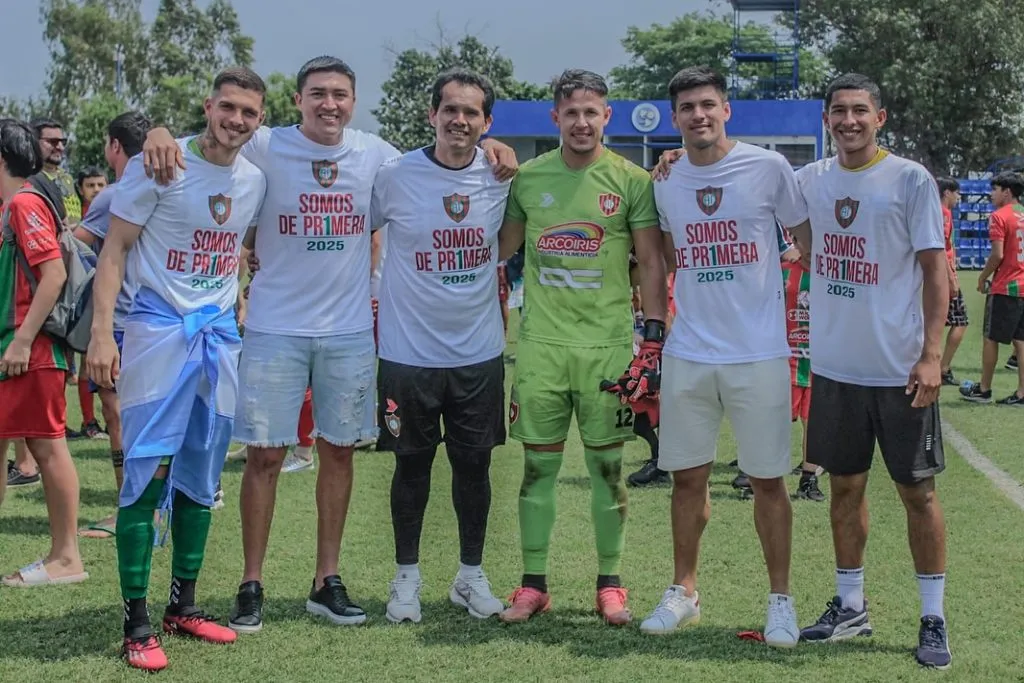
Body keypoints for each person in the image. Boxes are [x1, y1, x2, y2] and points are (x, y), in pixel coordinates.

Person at [143, 55, 518, 634]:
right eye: (318, 93)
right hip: (274, 327)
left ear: (353, 101)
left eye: (340, 94)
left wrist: (496, 148)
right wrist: (158, 131)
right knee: (265, 457)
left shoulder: (376, 156)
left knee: (338, 453)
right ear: (297, 101)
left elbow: (446, 161)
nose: (329, 104)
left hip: (348, 330)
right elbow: (215, 135)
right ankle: (251, 583)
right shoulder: (267, 143)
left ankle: (327, 581)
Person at [87, 67, 268, 672]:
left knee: (201, 475)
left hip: (218, 341)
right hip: (158, 336)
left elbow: (234, 248)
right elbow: (114, 250)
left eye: (248, 111)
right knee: (145, 474)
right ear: (208, 105)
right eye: (227, 107)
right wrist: (101, 335)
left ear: (260, 119)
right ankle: (135, 622)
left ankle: (182, 605)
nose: (236, 119)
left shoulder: (253, 178)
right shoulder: (158, 163)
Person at [635, 67, 806, 647]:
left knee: (768, 481)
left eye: (707, 104)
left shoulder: (768, 167)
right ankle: (684, 590)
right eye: (687, 107)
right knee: (686, 479)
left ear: (726, 109)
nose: (698, 115)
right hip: (689, 351)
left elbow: (806, 241)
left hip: (759, 352)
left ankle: (780, 601)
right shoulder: (664, 178)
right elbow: (662, 259)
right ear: (674, 117)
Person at [496, 69, 668, 626]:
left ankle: (610, 584)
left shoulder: (631, 180)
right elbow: (498, 248)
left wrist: (653, 336)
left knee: (609, 472)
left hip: (607, 350)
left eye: (591, 112)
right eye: (571, 112)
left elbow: (652, 260)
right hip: (542, 349)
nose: (581, 122)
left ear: (607, 116)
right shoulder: (529, 178)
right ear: (556, 117)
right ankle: (533, 585)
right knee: (536, 472)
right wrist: (485, 153)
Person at [790, 73, 951, 669]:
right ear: (826, 119)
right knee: (844, 488)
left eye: (860, 110)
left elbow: (935, 270)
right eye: (839, 111)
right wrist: (674, 156)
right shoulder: (809, 180)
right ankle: (851, 605)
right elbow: (740, 173)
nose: (849, 121)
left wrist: (931, 355)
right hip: (836, 369)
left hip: (900, 371)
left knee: (918, 494)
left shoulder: (909, 178)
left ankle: (932, 616)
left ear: (879, 118)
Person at [370, 68, 510, 624]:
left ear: (486, 122)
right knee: (411, 468)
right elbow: (353, 229)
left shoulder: (501, 175)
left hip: (479, 353)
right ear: (431, 114)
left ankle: (470, 576)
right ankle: (406, 578)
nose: (459, 119)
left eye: (471, 112)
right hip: (408, 355)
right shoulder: (394, 175)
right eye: (450, 109)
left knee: (474, 467)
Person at [0, 118, 87, 588]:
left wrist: (21, 339)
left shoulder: (24, 203)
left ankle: (66, 557)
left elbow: (53, 274)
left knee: (48, 447)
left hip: (29, 349)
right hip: (16, 346)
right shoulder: (12, 205)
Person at [73, 111, 152, 539]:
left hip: (121, 320)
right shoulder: (161, 186)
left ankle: (130, 508)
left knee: (118, 416)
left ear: (114, 146)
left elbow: (74, 247)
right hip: (156, 317)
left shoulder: (112, 196)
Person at [960, 172, 1024, 405]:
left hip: (1006, 286)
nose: (991, 194)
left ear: (1006, 192)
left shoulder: (999, 216)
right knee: (1021, 341)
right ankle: (1022, 392)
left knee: (990, 338)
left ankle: (984, 389)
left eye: (995, 189)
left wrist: (983, 277)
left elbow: (997, 255)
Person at [935, 177, 967, 386]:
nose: (958, 197)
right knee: (960, 322)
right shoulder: (943, 213)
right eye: (956, 193)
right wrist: (951, 278)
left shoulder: (938, 212)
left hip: (940, 274)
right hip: (944, 275)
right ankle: (942, 368)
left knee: (938, 322)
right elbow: (941, 247)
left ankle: (940, 367)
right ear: (947, 192)